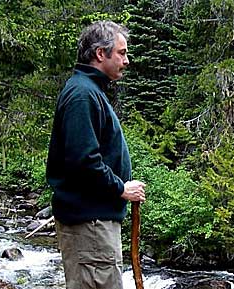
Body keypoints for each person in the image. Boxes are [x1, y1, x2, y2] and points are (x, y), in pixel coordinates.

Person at [46, 20, 146, 289]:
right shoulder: (82, 94)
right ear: (100, 54)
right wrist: (120, 188)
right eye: (122, 53)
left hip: (94, 220)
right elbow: (84, 160)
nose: (127, 60)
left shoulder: (90, 91)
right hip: (90, 222)